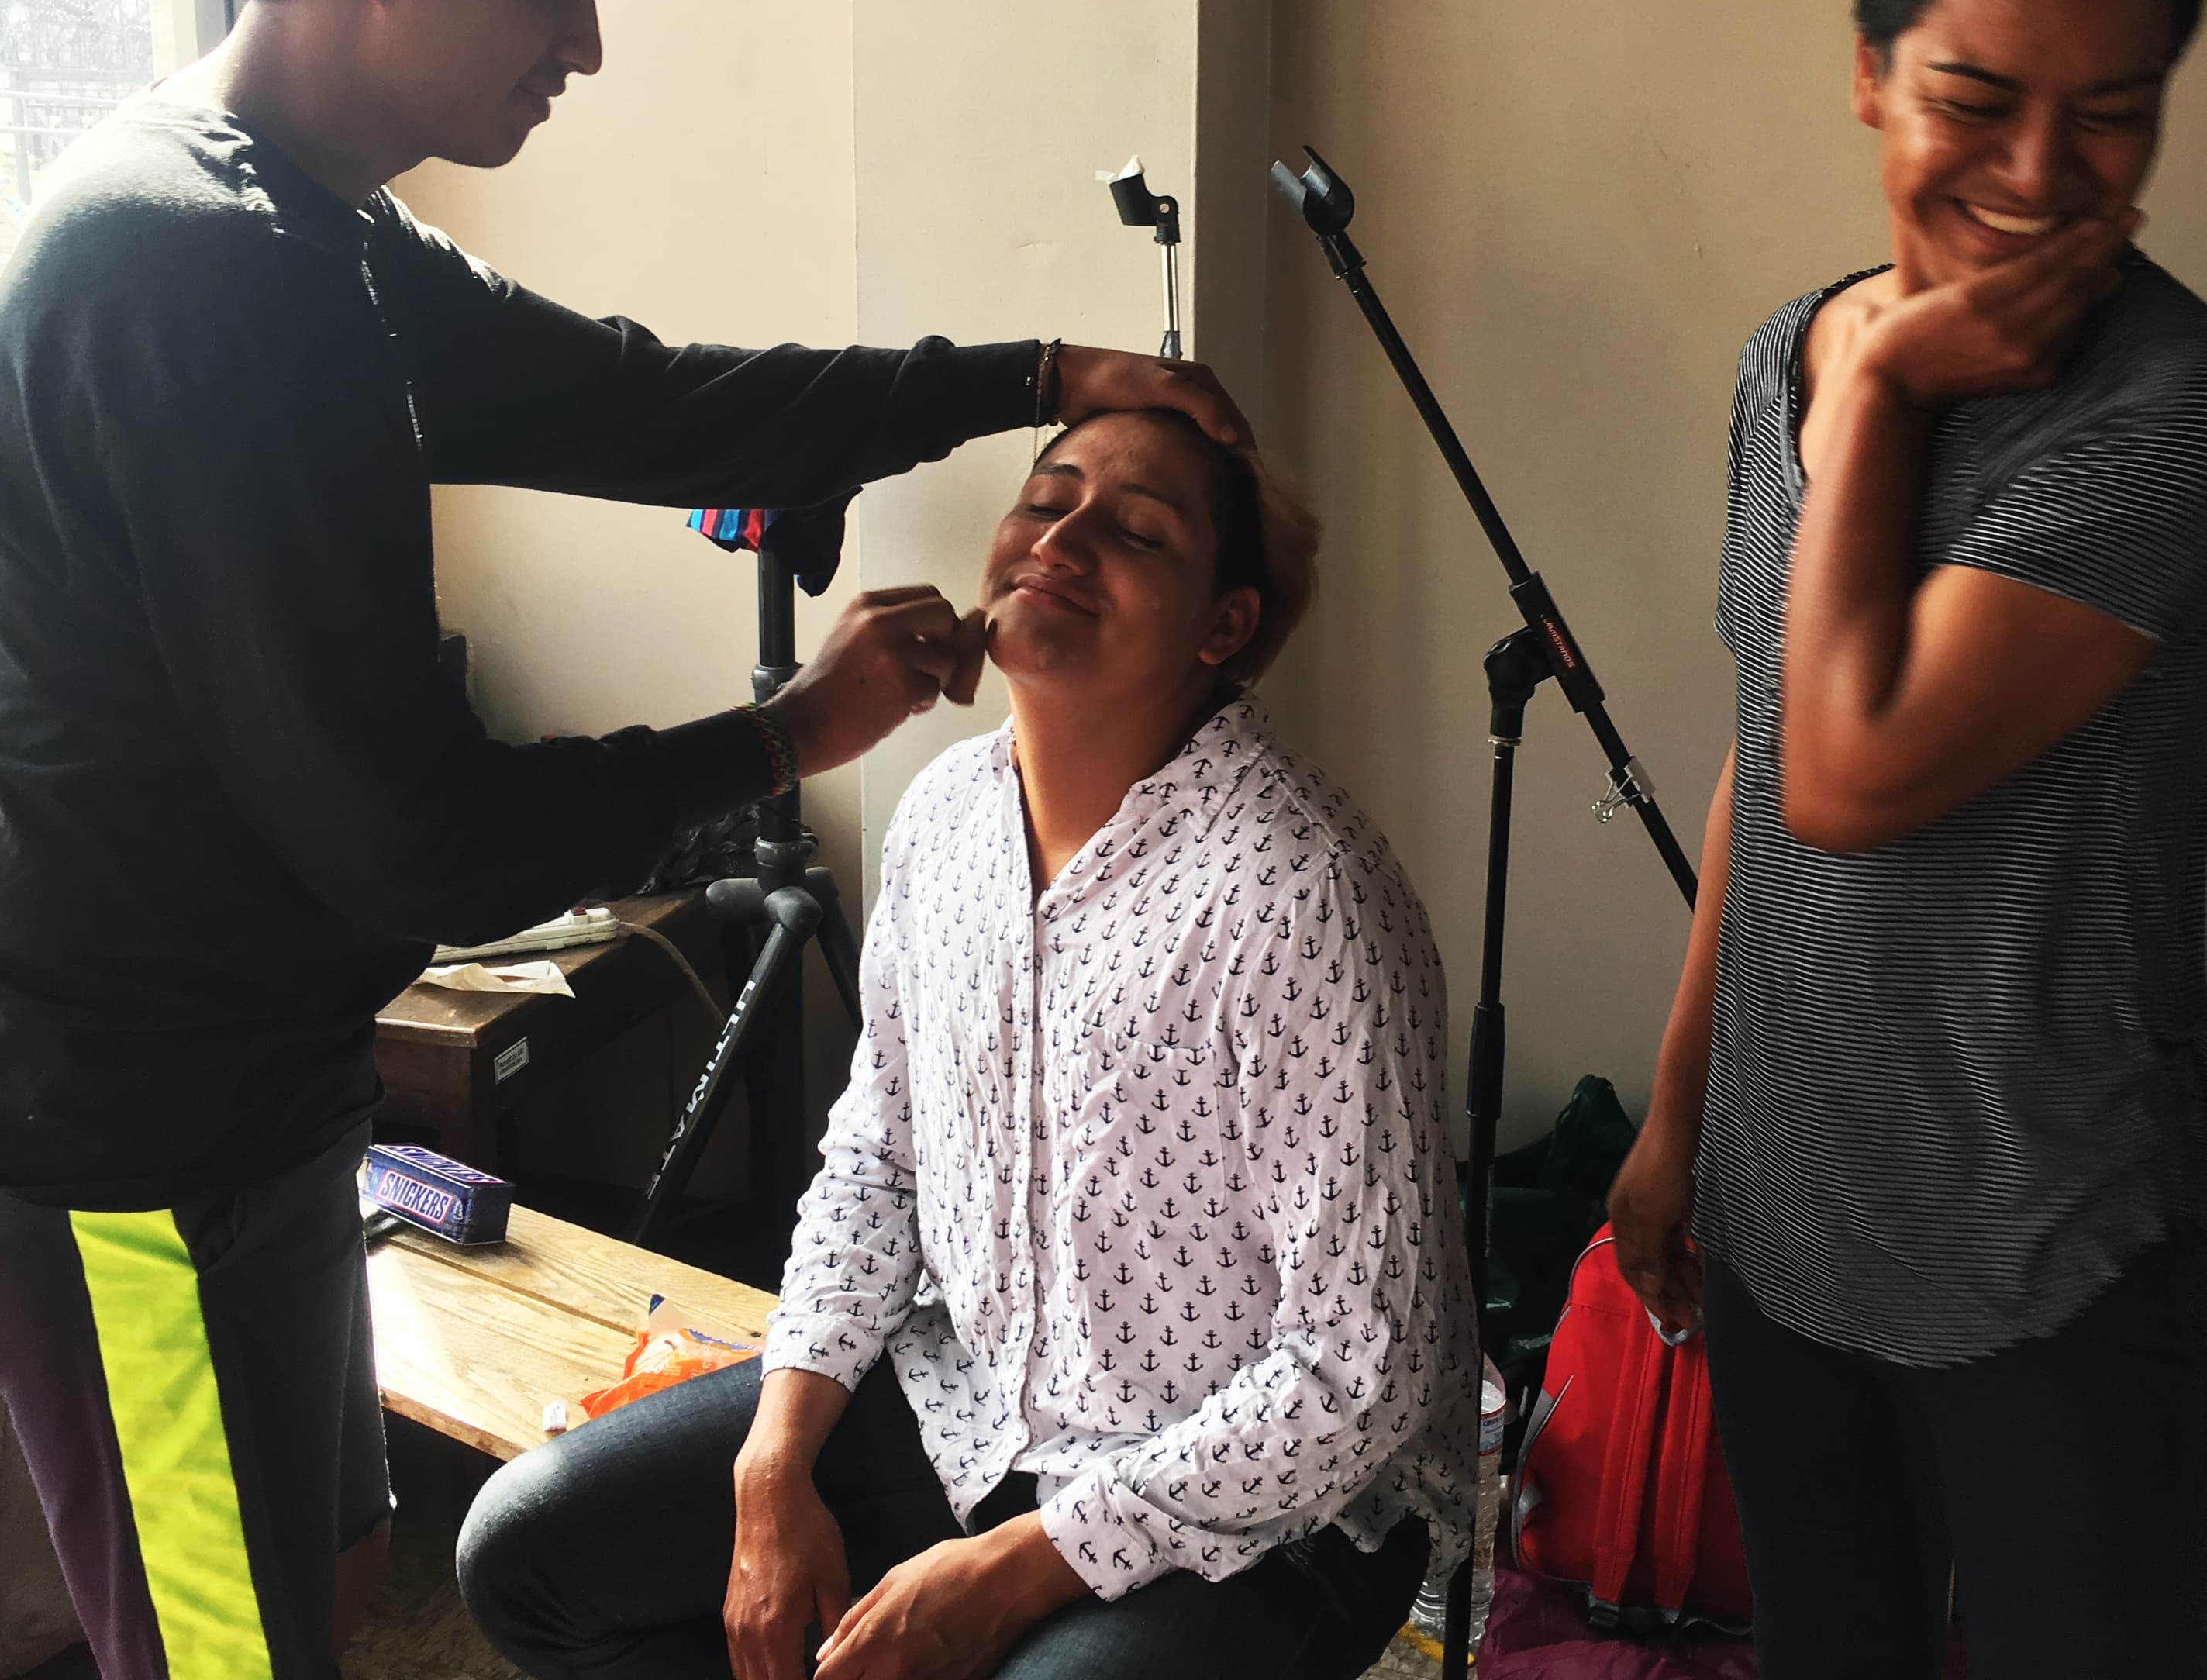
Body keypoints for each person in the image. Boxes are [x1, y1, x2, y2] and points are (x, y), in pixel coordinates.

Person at [0, 0, 1244, 1680]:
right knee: (219, 1645)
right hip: (103, 1132)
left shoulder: (319, 237)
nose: (586, 39)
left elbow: (653, 407)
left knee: (296, 1581)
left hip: (239, 1086)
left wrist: (1023, 380)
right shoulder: (200, 282)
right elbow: (410, 845)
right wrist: (786, 736)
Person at [1605, 0, 2207, 1677]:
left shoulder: (2179, 406)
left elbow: (1855, 770)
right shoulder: (1784, 360)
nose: (2039, 175)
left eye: (2114, 117)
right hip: (1793, 1202)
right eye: (1975, 101)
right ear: (1869, 71)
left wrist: (1894, 386)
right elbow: (1770, 730)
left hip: (2051, 1239)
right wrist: (1681, 1113)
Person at [457, 408, 1474, 1680]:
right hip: (975, 1404)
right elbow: (877, 1160)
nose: (1067, 535)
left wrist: (1018, 1566)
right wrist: (773, 1462)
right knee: (530, 1551)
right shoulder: (944, 820)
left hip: (1271, 1509)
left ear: (1224, 628)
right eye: (1048, 497)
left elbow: (1360, 1370)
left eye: (1139, 529)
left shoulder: (1296, 894)